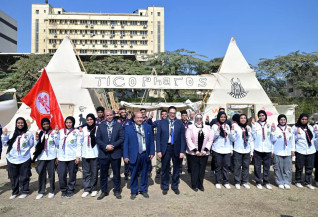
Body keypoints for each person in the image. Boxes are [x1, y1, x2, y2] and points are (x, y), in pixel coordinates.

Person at [124, 112, 155, 200]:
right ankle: (134, 191)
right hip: (134, 154)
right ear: (134, 119)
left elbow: (152, 141)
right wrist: (126, 155)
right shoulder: (128, 128)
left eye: (141, 117)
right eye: (138, 118)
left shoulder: (148, 127)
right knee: (133, 173)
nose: (140, 119)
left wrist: (152, 152)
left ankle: (143, 190)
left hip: (145, 154)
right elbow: (125, 143)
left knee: (144, 173)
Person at [1, 117, 34, 199]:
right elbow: (5, 144)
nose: (20, 124)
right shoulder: (12, 133)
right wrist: (4, 136)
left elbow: (31, 144)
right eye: (18, 123)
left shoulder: (28, 133)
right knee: (13, 176)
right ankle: (15, 192)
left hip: (24, 158)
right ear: (16, 124)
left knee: (24, 175)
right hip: (12, 158)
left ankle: (24, 191)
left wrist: (24, 151)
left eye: (22, 123)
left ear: (24, 124)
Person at [156, 106, 186, 195]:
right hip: (166, 148)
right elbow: (158, 138)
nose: (173, 115)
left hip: (176, 148)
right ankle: (165, 186)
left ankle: (175, 186)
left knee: (177, 169)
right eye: (171, 113)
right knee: (165, 168)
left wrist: (182, 151)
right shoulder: (161, 123)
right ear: (168, 113)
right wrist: (158, 150)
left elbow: (182, 138)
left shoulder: (180, 123)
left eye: (174, 113)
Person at [96, 110, 124, 199]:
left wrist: (113, 146)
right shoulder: (100, 126)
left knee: (116, 173)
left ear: (113, 115)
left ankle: (117, 190)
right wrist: (105, 146)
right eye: (107, 115)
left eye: (111, 115)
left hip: (115, 153)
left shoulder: (119, 125)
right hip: (104, 153)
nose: (109, 117)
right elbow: (98, 139)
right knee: (103, 174)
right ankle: (104, 191)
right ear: (104, 116)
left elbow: (121, 138)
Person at [32, 118, 59, 199]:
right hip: (42, 157)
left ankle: (51, 190)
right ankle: (41, 191)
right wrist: (36, 140)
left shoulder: (53, 132)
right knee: (41, 175)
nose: (46, 125)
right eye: (44, 124)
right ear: (42, 125)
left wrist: (56, 135)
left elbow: (57, 145)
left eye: (47, 124)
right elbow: (37, 146)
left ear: (49, 124)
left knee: (51, 175)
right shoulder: (40, 133)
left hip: (51, 157)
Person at [186, 113, 213, 191]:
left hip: (204, 153)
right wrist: (195, 150)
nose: (199, 120)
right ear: (194, 119)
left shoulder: (208, 128)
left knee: (202, 170)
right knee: (195, 169)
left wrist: (205, 150)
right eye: (197, 118)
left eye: (200, 118)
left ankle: (200, 184)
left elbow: (210, 139)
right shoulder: (190, 127)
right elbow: (188, 139)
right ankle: (194, 184)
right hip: (193, 153)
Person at [56, 116, 81, 198]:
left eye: (70, 122)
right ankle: (63, 189)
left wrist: (78, 156)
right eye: (67, 122)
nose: (68, 124)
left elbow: (78, 145)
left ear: (73, 123)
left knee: (72, 174)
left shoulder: (76, 132)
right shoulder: (60, 131)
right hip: (62, 157)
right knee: (61, 174)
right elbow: (57, 144)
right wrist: (57, 156)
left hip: (72, 156)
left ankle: (70, 189)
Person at [270, 114, 295, 189]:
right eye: (281, 120)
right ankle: (279, 181)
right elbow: (272, 140)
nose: (283, 121)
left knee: (288, 168)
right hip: (278, 151)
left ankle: (287, 181)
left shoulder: (290, 128)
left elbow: (292, 140)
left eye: (284, 120)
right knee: (278, 168)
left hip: (287, 152)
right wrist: (273, 131)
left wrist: (293, 149)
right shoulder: (275, 129)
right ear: (278, 120)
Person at [293, 113, 317, 189]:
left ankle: (308, 182)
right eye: (302, 119)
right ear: (300, 119)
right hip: (300, 150)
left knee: (309, 167)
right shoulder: (295, 128)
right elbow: (293, 140)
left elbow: (314, 137)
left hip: (310, 150)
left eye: (306, 119)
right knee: (299, 167)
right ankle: (298, 181)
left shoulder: (310, 127)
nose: (304, 120)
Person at [230, 114, 254, 190]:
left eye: (244, 118)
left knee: (246, 166)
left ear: (246, 120)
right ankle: (237, 181)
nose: (243, 119)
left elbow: (251, 140)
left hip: (247, 150)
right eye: (241, 118)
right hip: (238, 149)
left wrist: (251, 151)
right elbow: (232, 139)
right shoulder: (235, 126)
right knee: (237, 166)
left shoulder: (248, 127)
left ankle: (244, 181)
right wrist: (232, 131)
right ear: (239, 119)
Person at [251, 110, 273, 190]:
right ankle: (258, 182)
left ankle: (266, 182)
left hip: (267, 149)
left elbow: (272, 138)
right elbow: (252, 137)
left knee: (266, 166)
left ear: (265, 116)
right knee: (257, 166)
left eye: (263, 115)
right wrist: (253, 127)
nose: (261, 117)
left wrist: (273, 130)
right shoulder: (255, 125)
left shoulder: (269, 125)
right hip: (258, 148)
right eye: (260, 115)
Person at [79, 114, 99, 198]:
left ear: (94, 120)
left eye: (91, 119)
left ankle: (94, 189)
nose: (89, 121)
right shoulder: (83, 129)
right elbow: (80, 141)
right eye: (88, 120)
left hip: (94, 153)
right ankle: (87, 189)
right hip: (85, 153)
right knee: (86, 172)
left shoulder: (97, 128)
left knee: (94, 172)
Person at [211, 112, 232, 189]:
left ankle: (226, 181)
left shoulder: (227, 126)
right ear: (218, 117)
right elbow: (212, 138)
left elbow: (229, 138)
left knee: (226, 166)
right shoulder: (214, 126)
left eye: (224, 117)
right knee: (218, 166)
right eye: (221, 117)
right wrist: (217, 132)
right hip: (217, 149)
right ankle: (218, 181)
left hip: (226, 149)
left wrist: (231, 149)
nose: (223, 118)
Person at [118, 107, 133, 180]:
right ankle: (117, 174)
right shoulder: (116, 120)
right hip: (117, 143)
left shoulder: (129, 121)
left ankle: (127, 173)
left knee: (126, 158)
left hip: (125, 143)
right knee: (117, 159)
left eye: (124, 112)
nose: (123, 113)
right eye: (122, 112)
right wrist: (116, 113)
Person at [152, 110, 168, 178]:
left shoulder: (169, 122)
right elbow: (151, 125)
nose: (164, 115)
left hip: (167, 144)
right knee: (159, 159)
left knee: (167, 159)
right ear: (161, 115)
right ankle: (158, 172)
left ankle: (167, 171)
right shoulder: (158, 122)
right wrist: (150, 119)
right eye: (162, 114)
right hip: (160, 143)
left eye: (165, 114)